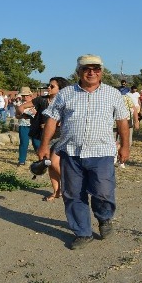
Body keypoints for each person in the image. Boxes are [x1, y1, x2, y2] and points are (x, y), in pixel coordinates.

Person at [38, 54, 130, 250]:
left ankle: (104, 219)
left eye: (96, 69)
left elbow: (123, 121)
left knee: (103, 191)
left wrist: (125, 146)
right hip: (71, 152)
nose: (91, 72)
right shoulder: (65, 94)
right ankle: (82, 232)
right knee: (73, 194)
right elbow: (52, 120)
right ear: (78, 71)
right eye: (87, 69)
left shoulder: (113, 94)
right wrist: (44, 145)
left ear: (101, 72)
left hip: (102, 152)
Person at [19, 77, 70, 201]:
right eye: (49, 85)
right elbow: (21, 107)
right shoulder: (41, 100)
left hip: (60, 136)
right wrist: (27, 115)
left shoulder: (66, 101)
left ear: (61, 89)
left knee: (54, 162)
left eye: (52, 86)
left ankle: (70, 185)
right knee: (48, 164)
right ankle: (57, 191)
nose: (49, 88)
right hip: (42, 137)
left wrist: (55, 123)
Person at [14, 87, 36, 166]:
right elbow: (16, 116)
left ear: (30, 95)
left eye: (26, 95)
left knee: (36, 143)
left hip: (34, 125)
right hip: (23, 124)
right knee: (24, 143)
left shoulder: (36, 103)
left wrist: (35, 113)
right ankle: (21, 160)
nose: (25, 97)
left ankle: (42, 159)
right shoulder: (19, 104)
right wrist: (22, 116)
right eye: (23, 95)